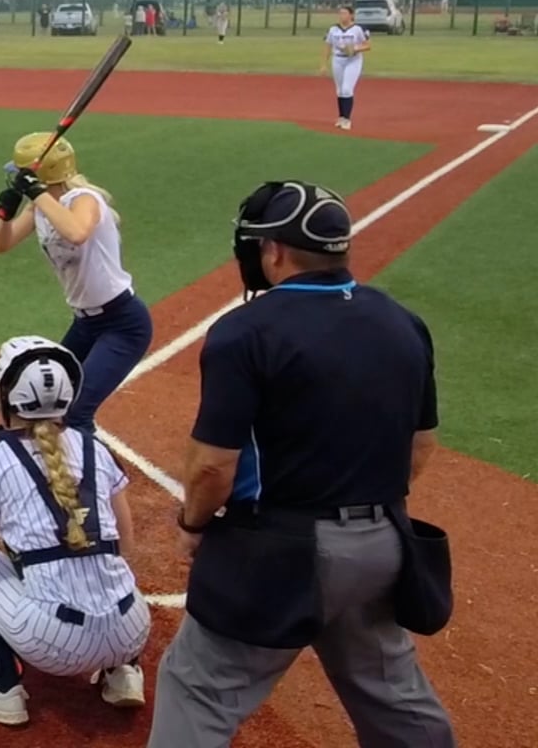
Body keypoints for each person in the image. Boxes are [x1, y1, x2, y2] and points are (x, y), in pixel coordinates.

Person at [148, 180, 454, 748]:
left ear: (273, 251)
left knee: (198, 688)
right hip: (385, 545)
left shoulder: (245, 331)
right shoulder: (402, 321)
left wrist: (193, 524)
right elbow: (421, 446)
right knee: (394, 699)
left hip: (281, 557)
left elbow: (213, 467)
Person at [0, 335, 151, 728]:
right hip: (132, 629)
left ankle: (0, 687)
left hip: (55, 645)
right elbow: (126, 543)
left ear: (4, 395)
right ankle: (123, 672)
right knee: (101, 553)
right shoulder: (94, 448)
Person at [0, 133, 153, 432]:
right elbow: (2, 244)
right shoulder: (39, 208)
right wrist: (4, 216)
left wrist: (37, 193)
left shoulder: (84, 199)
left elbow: (77, 232)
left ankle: (90, 463)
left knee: (76, 412)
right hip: (85, 324)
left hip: (123, 323)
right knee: (52, 400)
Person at [322, 4, 371, 130]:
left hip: (353, 60)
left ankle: (347, 119)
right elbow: (328, 46)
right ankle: (341, 117)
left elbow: (367, 45)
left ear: (351, 15)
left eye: (344, 13)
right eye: (340, 13)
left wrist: (355, 48)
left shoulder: (358, 29)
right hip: (337, 60)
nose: (341, 16)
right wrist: (324, 64)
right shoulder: (333, 29)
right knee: (339, 90)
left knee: (347, 89)